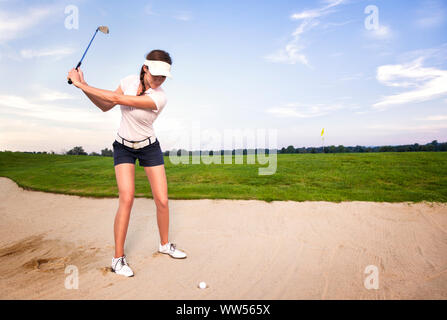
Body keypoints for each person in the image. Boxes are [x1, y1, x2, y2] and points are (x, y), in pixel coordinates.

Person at [67, 49, 187, 278]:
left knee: (162, 199)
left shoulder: (160, 97)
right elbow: (105, 105)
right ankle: (117, 259)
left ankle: (164, 244)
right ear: (145, 68)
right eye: (156, 74)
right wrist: (82, 85)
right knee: (127, 197)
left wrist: (80, 84)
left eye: (164, 76)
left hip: (149, 147)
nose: (160, 80)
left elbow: (116, 99)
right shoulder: (128, 81)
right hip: (123, 147)